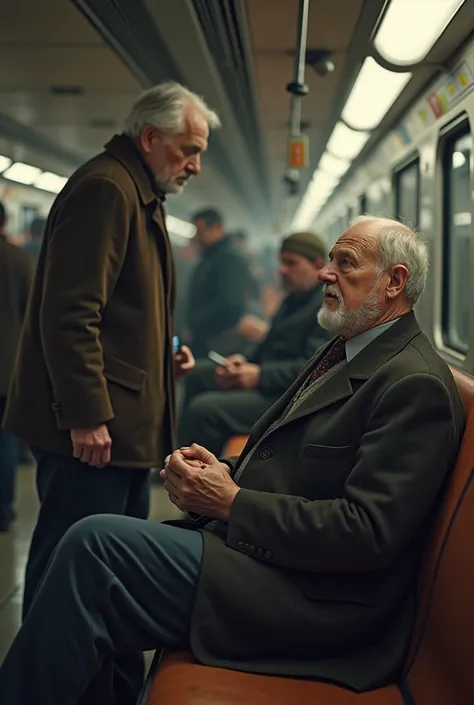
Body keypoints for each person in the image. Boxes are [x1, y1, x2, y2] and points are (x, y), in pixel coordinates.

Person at [0, 216, 466, 705]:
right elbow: (297, 458)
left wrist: (232, 503)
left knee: (95, 546)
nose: (325, 273)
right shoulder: (350, 348)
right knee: (97, 560)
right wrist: (222, 471)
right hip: (281, 567)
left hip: (324, 604)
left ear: (394, 281)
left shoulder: (414, 385)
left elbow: (367, 534)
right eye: (329, 258)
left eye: (344, 263)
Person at [1, 82, 219, 701]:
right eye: (189, 149)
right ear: (151, 139)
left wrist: (164, 352)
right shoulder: (106, 189)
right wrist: (86, 415)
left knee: (114, 579)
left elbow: (122, 309)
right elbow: (72, 314)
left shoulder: (136, 191)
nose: (195, 165)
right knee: (65, 575)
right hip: (94, 431)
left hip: (124, 426)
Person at [179, 231, 332, 454]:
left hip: (285, 397)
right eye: (282, 262)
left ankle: (197, 474)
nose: (282, 270)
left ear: (318, 265)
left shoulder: (324, 309)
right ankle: (178, 457)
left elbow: (313, 369)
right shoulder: (292, 301)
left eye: (291, 263)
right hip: (268, 381)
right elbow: (267, 345)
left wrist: (259, 375)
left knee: (204, 410)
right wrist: (243, 361)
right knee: (197, 375)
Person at [0, 203, 34, 531]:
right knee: (5, 441)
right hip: (8, 366)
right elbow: (32, 314)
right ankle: (3, 510)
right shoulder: (21, 259)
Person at [184, 209, 253, 358]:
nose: (196, 236)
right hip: (206, 336)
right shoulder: (211, 256)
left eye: (200, 231)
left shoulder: (229, 258)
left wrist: (196, 324)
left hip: (217, 339)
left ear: (216, 229)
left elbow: (230, 303)